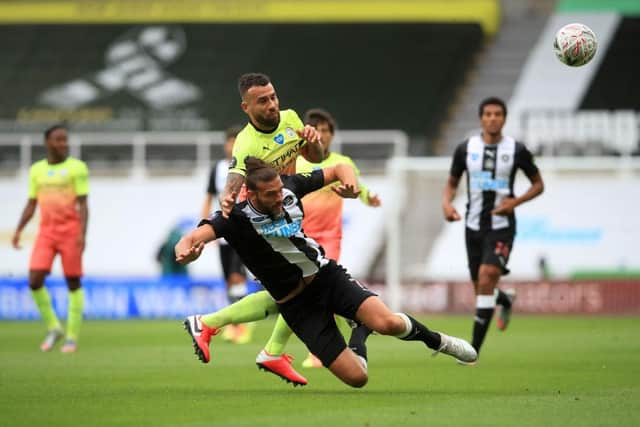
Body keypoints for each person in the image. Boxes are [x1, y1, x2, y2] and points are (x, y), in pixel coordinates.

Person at [177, 157, 477, 388]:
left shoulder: (290, 188)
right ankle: (360, 331)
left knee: (387, 323)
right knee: (358, 379)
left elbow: (337, 169)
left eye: (279, 190)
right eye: (270, 195)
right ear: (252, 195)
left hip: (326, 278)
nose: (279, 198)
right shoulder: (235, 219)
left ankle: (439, 342)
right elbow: (194, 236)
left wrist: (350, 185)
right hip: (296, 306)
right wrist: (186, 250)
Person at [260, 108, 382, 369]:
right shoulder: (300, 162)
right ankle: (300, 349)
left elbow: (355, 186)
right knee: (302, 293)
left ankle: (292, 350)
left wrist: (367, 196)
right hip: (301, 237)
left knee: (311, 290)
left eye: (327, 131)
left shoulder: (342, 161)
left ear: (332, 135)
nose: (322, 135)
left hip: (330, 238)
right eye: (319, 130)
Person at [442, 97, 544, 363]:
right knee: (481, 289)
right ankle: (504, 299)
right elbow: (451, 182)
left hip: (501, 226)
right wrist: (446, 203)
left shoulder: (517, 150)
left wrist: (515, 202)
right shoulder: (466, 149)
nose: (492, 118)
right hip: (472, 225)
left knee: (487, 276)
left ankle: (472, 351)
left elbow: (538, 184)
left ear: (504, 118)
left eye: (498, 114)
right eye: (487, 114)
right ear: (480, 119)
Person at [12, 124, 89, 353]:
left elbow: (84, 204)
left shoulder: (77, 168)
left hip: (70, 231)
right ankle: (54, 327)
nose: (63, 144)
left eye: (65, 139)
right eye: (58, 140)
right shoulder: (37, 170)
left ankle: (72, 337)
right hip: (46, 232)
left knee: (72, 282)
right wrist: (18, 230)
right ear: (47, 143)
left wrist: (82, 234)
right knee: (34, 280)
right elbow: (31, 203)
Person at [201, 126, 253, 344]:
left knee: (236, 276)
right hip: (223, 233)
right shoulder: (218, 168)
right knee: (228, 281)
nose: (232, 146)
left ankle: (242, 326)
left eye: (235, 142)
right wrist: (204, 228)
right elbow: (209, 198)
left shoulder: (248, 167)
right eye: (229, 141)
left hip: (242, 230)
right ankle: (236, 322)